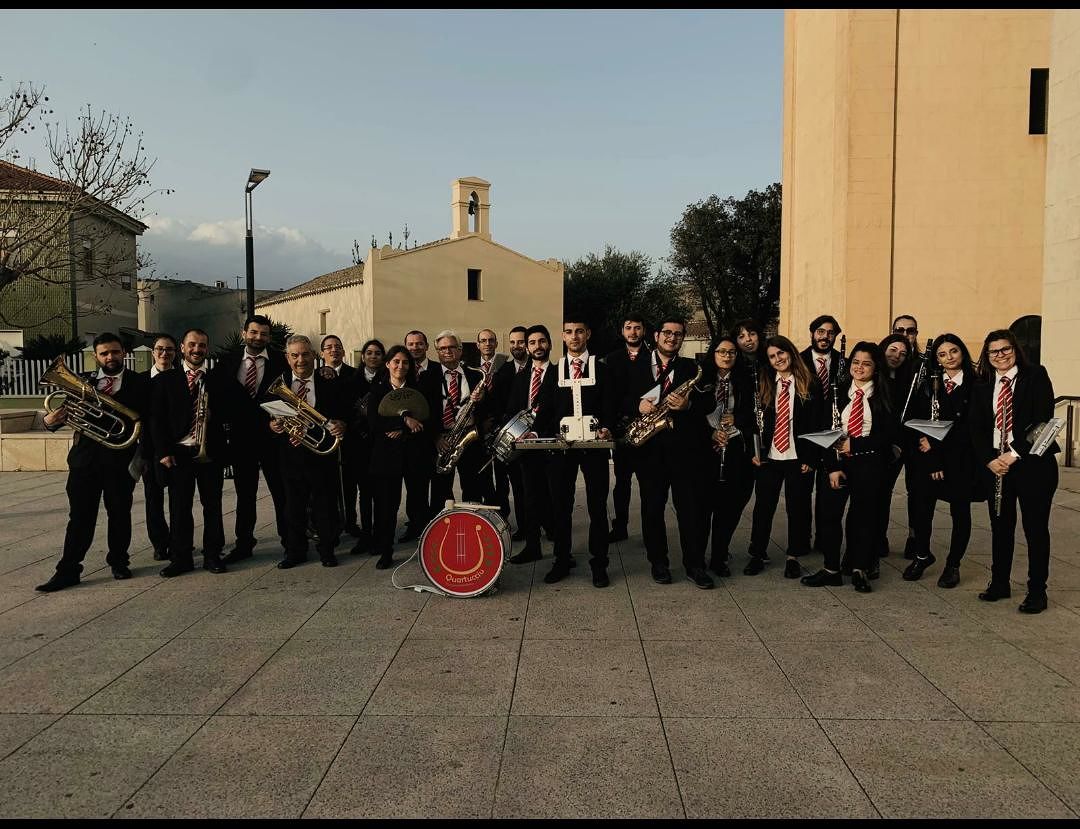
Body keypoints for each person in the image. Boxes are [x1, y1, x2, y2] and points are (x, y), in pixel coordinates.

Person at [36, 333, 150, 591]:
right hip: (84, 463)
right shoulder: (83, 382)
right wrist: (49, 422)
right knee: (79, 517)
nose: (110, 357)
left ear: (124, 353)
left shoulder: (140, 383)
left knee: (119, 515)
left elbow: (149, 420)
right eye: (104, 353)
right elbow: (63, 415)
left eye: (115, 352)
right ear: (96, 356)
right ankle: (68, 570)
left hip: (120, 461)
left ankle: (119, 562)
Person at [970, 330, 1059, 614]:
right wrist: (989, 460)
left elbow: (1042, 420)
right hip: (996, 466)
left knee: (1035, 529)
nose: (1001, 355)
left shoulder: (1035, 375)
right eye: (994, 351)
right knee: (1000, 527)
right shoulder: (983, 383)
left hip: (1032, 465)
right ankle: (999, 583)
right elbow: (976, 428)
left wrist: (1013, 454)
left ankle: (1037, 591)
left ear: (1015, 349)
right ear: (987, 355)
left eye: (1005, 349)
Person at [802, 342, 896, 593]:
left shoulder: (885, 394)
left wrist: (855, 444)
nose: (860, 367)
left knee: (863, 518)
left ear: (876, 368)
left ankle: (859, 568)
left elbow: (887, 435)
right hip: (837, 463)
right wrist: (832, 467)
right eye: (856, 362)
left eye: (866, 363)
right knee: (829, 516)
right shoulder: (837, 390)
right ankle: (831, 569)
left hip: (869, 463)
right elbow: (827, 430)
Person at [630, 317, 713, 589]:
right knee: (652, 510)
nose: (672, 338)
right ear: (656, 335)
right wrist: (636, 405)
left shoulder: (692, 368)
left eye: (678, 334)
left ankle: (695, 565)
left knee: (690, 511)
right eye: (667, 333)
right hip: (650, 451)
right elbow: (618, 396)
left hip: (684, 452)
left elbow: (708, 402)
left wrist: (689, 405)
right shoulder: (636, 366)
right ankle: (659, 563)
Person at [535, 317, 615, 587]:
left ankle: (599, 563)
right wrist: (544, 433)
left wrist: (606, 427)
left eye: (579, 331)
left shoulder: (601, 370)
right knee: (561, 507)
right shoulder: (555, 372)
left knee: (597, 507)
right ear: (563, 336)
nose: (574, 337)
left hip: (594, 449)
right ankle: (561, 560)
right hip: (562, 450)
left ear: (588, 334)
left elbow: (610, 408)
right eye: (569, 332)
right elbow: (544, 411)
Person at [903, 334, 983, 588]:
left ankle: (953, 564)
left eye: (954, 352)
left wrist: (938, 445)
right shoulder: (928, 383)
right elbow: (916, 421)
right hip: (929, 459)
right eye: (942, 354)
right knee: (921, 510)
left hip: (960, 460)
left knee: (960, 512)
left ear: (963, 352)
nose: (949, 358)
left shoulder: (977, 384)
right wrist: (932, 456)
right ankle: (922, 555)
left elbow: (972, 426)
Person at [152, 329, 229, 578]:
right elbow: (156, 419)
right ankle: (181, 558)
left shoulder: (218, 379)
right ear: (183, 348)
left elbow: (233, 413)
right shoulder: (165, 380)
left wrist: (215, 417)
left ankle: (212, 555)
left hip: (210, 453)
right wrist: (163, 452)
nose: (197, 350)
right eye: (192, 345)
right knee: (179, 507)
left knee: (213, 506)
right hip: (178, 455)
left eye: (202, 346)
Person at [745, 335, 822, 579]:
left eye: (781, 353)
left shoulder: (810, 383)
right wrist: (754, 451)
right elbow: (753, 422)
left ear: (790, 352)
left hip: (798, 455)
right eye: (772, 356)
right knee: (763, 507)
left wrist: (812, 458)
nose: (778, 359)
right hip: (770, 455)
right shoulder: (764, 382)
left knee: (797, 507)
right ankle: (757, 553)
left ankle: (793, 556)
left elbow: (817, 425)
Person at [270, 335, 349, 569]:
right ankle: (295, 551)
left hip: (322, 456)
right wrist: (272, 426)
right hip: (291, 456)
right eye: (295, 355)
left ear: (314, 356)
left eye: (305, 354)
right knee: (293, 506)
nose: (300, 360)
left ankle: (327, 550)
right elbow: (266, 417)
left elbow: (344, 413)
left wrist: (341, 424)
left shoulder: (330, 383)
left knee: (325, 505)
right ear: (287, 358)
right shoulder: (278, 386)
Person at [219, 315, 289, 564]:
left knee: (281, 492)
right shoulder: (227, 362)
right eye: (253, 332)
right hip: (240, 440)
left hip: (273, 437)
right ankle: (244, 544)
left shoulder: (282, 362)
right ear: (244, 333)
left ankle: (289, 542)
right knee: (244, 495)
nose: (258, 338)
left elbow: (289, 398)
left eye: (263, 334)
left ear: (269, 337)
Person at [366, 345, 429, 569]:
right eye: (396, 362)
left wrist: (401, 428)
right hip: (386, 458)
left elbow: (425, 420)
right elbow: (374, 423)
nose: (400, 366)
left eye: (405, 362)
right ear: (388, 364)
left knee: (419, 505)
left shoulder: (418, 389)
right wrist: (405, 421)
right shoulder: (377, 390)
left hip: (415, 456)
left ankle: (426, 550)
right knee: (386, 507)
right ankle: (386, 551)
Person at [700, 334, 755, 578]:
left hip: (734, 444)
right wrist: (710, 433)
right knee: (703, 505)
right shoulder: (701, 379)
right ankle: (697, 556)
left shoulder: (745, 381)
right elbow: (690, 414)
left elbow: (758, 413)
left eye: (732, 352)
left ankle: (720, 555)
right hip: (707, 445)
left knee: (730, 506)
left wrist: (738, 419)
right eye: (722, 351)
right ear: (713, 354)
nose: (726, 356)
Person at [505, 324, 560, 566]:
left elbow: (561, 411)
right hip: (525, 447)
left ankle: (560, 545)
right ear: (527, 347)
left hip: (550, 444)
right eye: (532, 343)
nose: (538, 347)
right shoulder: (520, 378)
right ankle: (533, 546)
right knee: (530, 496)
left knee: (555, 495)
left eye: (542, 341)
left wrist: (537, 431)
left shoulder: (561, 374)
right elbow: (511, 410)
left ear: (549, 343)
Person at [422, 330, 492, 510]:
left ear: (460, 350)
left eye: (452, 347)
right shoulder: (426, 377)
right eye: (442, 348)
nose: (447, 351)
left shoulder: (475, 374)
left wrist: (483, 399)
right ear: (437, 352)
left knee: (472, 487)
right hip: (443, 439)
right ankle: (443, 527)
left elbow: (488, 410)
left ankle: (471, 522)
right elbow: (423, 412)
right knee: (440, 491)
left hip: (469, 437)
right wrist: (436, 437)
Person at [800, 315, 844, 557]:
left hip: (832, 435)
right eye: (820, 331)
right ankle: (803, 538)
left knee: (828, 492)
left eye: (830, 332)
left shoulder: (843, 361)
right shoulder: (798, 360)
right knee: (803, 491)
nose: (825, 336)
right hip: (807, 435)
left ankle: (823, 538)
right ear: (812, 332)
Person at [604, 313, 648, 543]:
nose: (633, 332)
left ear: (644, 331)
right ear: (622, 332)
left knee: (648, 484)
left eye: (637, 327)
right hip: (622, 430)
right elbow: (609, 396)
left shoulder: (652, 357)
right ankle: (620, 527)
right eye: (629, 327)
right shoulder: (612, 360)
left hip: (647, 429)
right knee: (622, 483)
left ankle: (650, 529)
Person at [490, 325, 531, 539]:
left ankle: (547, 523)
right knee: (516, 485)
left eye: (521, 342)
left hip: (536, 435)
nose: (516, 346)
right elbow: (496, 404)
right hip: (512, 436)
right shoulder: (502, 371)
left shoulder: (539, 367)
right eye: (513, 342)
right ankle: (523, 527)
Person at [140, 334, 178, 562]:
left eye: (170, 349)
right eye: (160, 349)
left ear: (176, 352)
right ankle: (159, 543)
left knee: (177, 500)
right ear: (153, 352)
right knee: (153, 500)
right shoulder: (141, 380)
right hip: (148, 449)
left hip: (173, 449)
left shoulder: (182, 379)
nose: (165, 353)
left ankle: (178, 540)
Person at [319, 335, 360, 539]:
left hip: (349, 436)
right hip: (324, 438)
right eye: (329, 347)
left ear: (344, 352)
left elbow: (358, 406)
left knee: (349, 483)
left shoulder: (354, 374)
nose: (333, 350)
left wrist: (345, 423)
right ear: (322, 353)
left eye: (338, 347)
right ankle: (332, 524)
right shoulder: (315, 375)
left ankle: (351, 521)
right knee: (328, 484)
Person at [347, 338, 385, 554]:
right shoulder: (352, 381)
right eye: (369, 353)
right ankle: (366, 535)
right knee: (365, 493)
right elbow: (345, 410)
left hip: (380, 444)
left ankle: (380, 535)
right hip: (359, 444)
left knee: (381, 492)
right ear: (363, 357)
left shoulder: (387, 380)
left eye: (378, 353)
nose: (373, 356)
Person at [399, 330, 435, 541]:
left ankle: (436, 524)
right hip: (411, 440)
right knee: (414, 488)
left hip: (434, 436)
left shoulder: (438, 370)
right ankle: (416, 525)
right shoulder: (403, 373)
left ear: (426, 346)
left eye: (419, 343)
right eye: (411, 344)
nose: (415, 347)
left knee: (439, 487)